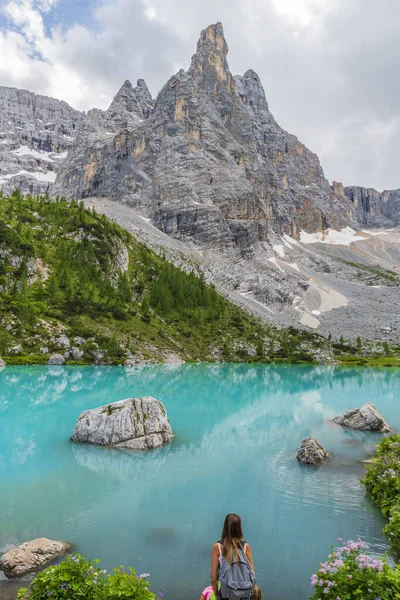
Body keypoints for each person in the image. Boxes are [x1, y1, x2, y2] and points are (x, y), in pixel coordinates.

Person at [210, 513, 256, 600]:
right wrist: (250, 591)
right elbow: (252, 574)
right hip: (243, 593)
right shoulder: (246, 547)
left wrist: (216, 595)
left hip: (225, 594)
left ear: (225, 526)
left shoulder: (218, 547)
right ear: (239, 528)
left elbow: (213, 578)